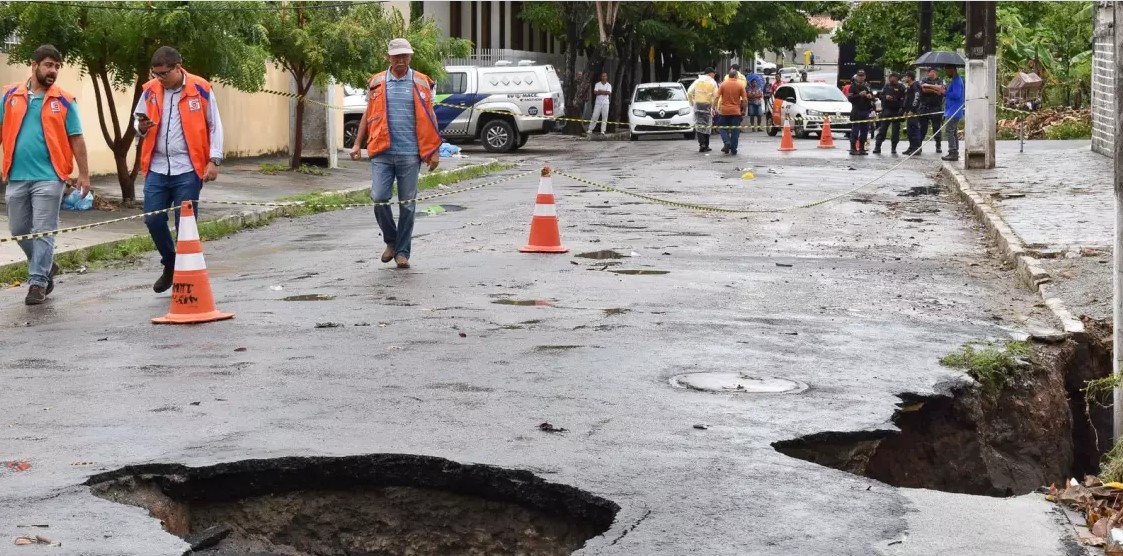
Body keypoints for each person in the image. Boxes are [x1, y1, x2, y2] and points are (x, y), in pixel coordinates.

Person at [1, 44, 90, 305]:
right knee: (18, 230)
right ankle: (47, 264)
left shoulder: (64, 100)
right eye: (49, 65)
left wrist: (84, 175)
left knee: (43, 230)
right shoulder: (10, 96)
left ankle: (37, 283)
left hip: (50, 177)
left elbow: (77, 139)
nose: (53, 71)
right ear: (34, 65)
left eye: (57, 67)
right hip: (16, 175)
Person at [134, 46, 223, 293]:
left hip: (188, 167)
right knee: (153, 219)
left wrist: (214, 160)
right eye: (155, 74)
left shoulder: (201, 88)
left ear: (177, 67)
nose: (159, 79)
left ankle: (186, 279)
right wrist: (141, 126)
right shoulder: (150, 89)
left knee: (185, 225)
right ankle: (170, 263)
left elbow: (214, 125)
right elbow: (137, 122)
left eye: (163, 74)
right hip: (157, 167)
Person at [350, 38, 441, 269]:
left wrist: (435, 151)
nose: (401, 61)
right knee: (379, 198)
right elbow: (367, 114)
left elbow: (431, 118)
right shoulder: (376, 82)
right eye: (396, 56)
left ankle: (402, 252)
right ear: (388, 58)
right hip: (381, 151)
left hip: (410, 153)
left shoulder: (421, 82)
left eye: (405, 56)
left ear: (410, 57)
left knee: (407, 204)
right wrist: (357, 144)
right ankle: (391, 240)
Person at [714, 69, 747, 155]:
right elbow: (744, 100)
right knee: (735, 131)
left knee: (722, 127)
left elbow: (717, 97)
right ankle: (733, 149)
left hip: (724, 111)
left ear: (729, 76)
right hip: (736, 111)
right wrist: (744, 110)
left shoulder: (723, 85)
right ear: (736, 76)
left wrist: (713, 107)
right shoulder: (740, 85)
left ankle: (727, 141)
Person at [873, 72, 906, 155]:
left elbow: (905, 99)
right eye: (890, 78)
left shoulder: (901, 87)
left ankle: (893, 148)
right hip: (887, 110)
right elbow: (881, 95)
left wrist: (902, 109)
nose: (892, 80)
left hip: (897, 111)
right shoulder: (887, 86)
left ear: (897, 79)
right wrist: (885, 97)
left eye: (893, 78)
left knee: (895, 132)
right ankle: (877, 147)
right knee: (882, 130)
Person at [686, 68, 718, 152]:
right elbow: (716, 96)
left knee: (699, 124)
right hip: (708, 105)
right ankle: (706, 145)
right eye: (713, 74)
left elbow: (689, 92)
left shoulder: (697, 81)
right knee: (708, 124)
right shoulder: (712, 82)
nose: (714, 76)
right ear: (710, 73)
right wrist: (715, 107)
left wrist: (692, 103)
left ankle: (702, 144)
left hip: (698, 105)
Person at [917, 67, 945, 154]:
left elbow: (941, 89)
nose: (930, 73)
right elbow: (923, 89)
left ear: (935, 72)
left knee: (936, 127)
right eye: (929, 72)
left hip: (935, 107)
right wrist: (934, 89)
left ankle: (938, 146)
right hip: (924, 107)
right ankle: (919, 146)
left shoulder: (941, 80)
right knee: (922, 128)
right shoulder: (923, 80)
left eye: (932, 71)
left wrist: (929, 87)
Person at [847, 70, 874, 155]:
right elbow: (850, 98)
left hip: (865, 110)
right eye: (859, 76)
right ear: (857, 77)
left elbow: (873, 97)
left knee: (865, 130)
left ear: (865, 77)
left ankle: (862, 148)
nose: (861, 78)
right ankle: (853, 148)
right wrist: (859, 95)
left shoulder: (868, 86)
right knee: (855, 130)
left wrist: (870, 96)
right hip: (856, 110)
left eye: (862, 76)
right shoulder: (853, 86)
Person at [941, 65, 965, 162]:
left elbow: (956, 95)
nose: (946, 73)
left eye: (946, 70)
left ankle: (952, 151)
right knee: (953, 131)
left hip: (954, 111)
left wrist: (945, 92)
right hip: (951, 110)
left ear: (952, 69)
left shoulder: (957, 81)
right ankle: (955, 151)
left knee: (949, 131)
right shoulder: (954, 80)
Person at [901, 71, 923, 155]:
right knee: (910, 131)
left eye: (906, 77)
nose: (904, 78)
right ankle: (911, 147)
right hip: (909, 112)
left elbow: (916, 99)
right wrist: (906, 111)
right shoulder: (910, 87)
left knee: (914, 130)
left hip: (914, 112)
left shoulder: (915, 86)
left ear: (910, 77)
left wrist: (912, 110)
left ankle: (916, 148)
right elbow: (908, 100)